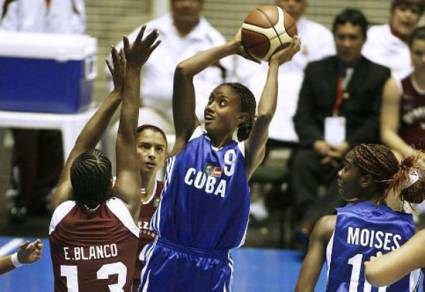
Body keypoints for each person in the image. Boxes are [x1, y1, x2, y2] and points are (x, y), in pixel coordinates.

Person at [138, 27, 300, 290]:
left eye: (222, 103)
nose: (210, 106)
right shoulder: (187, 137)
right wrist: (231, 47)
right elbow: (183, 71)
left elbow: (266, 115)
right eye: (211, 100)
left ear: (242, 118)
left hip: (212, 266)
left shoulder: (244, 158)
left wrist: (274, 65)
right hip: (166, 256)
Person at [49, 26, 160, 291]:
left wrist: (115, 94)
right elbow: (125, 137)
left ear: (72, 185)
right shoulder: (123, 210)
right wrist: (133, 74)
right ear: (112, 186)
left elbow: (81, 144)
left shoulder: (61, 211)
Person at [290, 8, 392, 240]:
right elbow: (302, 116)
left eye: (353, 37)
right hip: (318, 146)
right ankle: (314, 222)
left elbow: (375, 121)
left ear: (363, 40)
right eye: (341, 37)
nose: (346, 43)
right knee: (300, 163)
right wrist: (319, 144)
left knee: (354, 173)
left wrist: (347, 147)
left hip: (355, 149)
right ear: (334, 37)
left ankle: (309, 225)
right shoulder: (315, 69)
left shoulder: (379, 74)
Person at [237, 0, 335, 221]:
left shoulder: (321, 37)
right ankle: (245, 198)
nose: (291, 4)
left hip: (301, 112)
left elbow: (322, 84)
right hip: (263, 102)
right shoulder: (256, 25)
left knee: (303, 159)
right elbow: (245, 73)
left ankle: (283, 204)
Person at [0, 0, 86, 222]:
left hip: (58, 72)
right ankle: (20, 198)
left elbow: (78, 31)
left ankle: (45, 196)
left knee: (55, 138)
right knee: (25, 139)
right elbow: (5, 32)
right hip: (20, 72)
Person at [295, 144, 424, 291]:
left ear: (365, 180)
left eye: (346, 167)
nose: (339, 173)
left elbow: (303, 289)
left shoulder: (329, 226)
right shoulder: (415, 236)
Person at [109, 0, 233, 135]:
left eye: (193, 0)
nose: (186, 5)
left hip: (199, 122)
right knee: (119, 131)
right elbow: (115, 61)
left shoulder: (215, 42)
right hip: (156, 114)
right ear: (172, 3)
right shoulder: (150, 31)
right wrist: (129, 100)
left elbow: (229, 87)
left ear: (202, 4)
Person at [381, 26, 425, 160]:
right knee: (394, 158)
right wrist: (415, 156)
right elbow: (387, 132)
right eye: (418, 53)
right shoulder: (396, 85)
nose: (424, 59)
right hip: (407, 154)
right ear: (410, 53)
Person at [362, 0, 424, 80]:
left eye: (414, 11)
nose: (408, 15)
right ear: (392, 12)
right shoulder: (372, 34)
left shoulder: (420, 46)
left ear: (419, 18)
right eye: (403, 9)